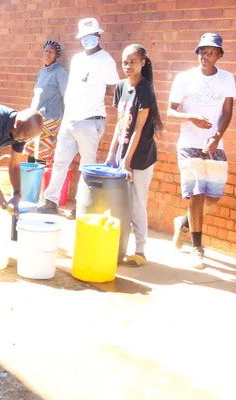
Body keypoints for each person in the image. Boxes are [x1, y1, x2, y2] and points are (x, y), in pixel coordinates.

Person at [168, 33, 236, 269]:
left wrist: (216, 138)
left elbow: (227, 112)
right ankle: (197, 248)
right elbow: (170, 111)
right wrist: (191, 117)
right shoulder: (184, 78)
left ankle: (184, 222)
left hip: (214, 144)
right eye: (202, 51)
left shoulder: (226, 78)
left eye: (211, 52)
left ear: (219, 55)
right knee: (196, 194)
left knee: (213, 197)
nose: (205, 56)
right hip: (188, 143)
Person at [37, 18, 120, 214]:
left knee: (86, 166)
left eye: (91, 35)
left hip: (90, 120)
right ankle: (50, 202)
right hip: (70, 119)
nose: (87, 39)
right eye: (84, 36)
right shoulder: (77, 59)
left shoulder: (106, 60)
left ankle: (82, 206)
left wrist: (93, 98)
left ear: (98, 35)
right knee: (59, 162)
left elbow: (114, 87)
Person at [105, 44, 163, 267]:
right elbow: (121, 123)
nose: (128, 66)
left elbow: (138, 129)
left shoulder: (145, 88)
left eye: (133, 62)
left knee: (138, 203)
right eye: (125, 62)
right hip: (123, 155)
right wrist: (112, 153)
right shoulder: (121, 86)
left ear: (142, 63)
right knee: (120, 203)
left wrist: (127, 162)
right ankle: (119, 247)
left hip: (140, 157)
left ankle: (140, 250)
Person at [25, 41, 68, 164]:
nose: (48, 54)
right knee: (31, 148)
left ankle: (41, 176)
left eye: (52, 52)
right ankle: (29, 175)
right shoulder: (42, 72)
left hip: (51, 118)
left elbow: (66, 95)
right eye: (46, 51)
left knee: (42, 152)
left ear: (57, 56)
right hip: (36, 117)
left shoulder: (60, 73)